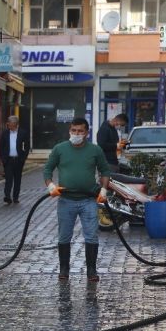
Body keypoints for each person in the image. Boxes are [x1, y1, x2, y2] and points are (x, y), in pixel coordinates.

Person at [44, 118, 111, 282]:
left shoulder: (95, 150)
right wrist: (51, 186)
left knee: (91, 236)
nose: (76, 134)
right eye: (73, 130)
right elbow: (47, 170)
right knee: (64, 236)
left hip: (88, 200)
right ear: (69, 131)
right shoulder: (60, 149)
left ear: (87, 133)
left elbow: (105, 171)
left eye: (80, 131)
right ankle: (64, 269)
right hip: (66, 200)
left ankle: (91, 271)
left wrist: (103, 189)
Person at [0, 116, 30, 204]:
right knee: (8, 179)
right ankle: (7, 196)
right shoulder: (5, 133)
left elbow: (27, 147)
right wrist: (2, 158)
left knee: (17, 179)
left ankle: (15, 197)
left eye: (12, 125)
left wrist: (23, 158)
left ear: (16, 125)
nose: (10, 127)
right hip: (8, 160)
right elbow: (1, 146)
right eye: (9, 125)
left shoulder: (23, 133)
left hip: (18, 160)